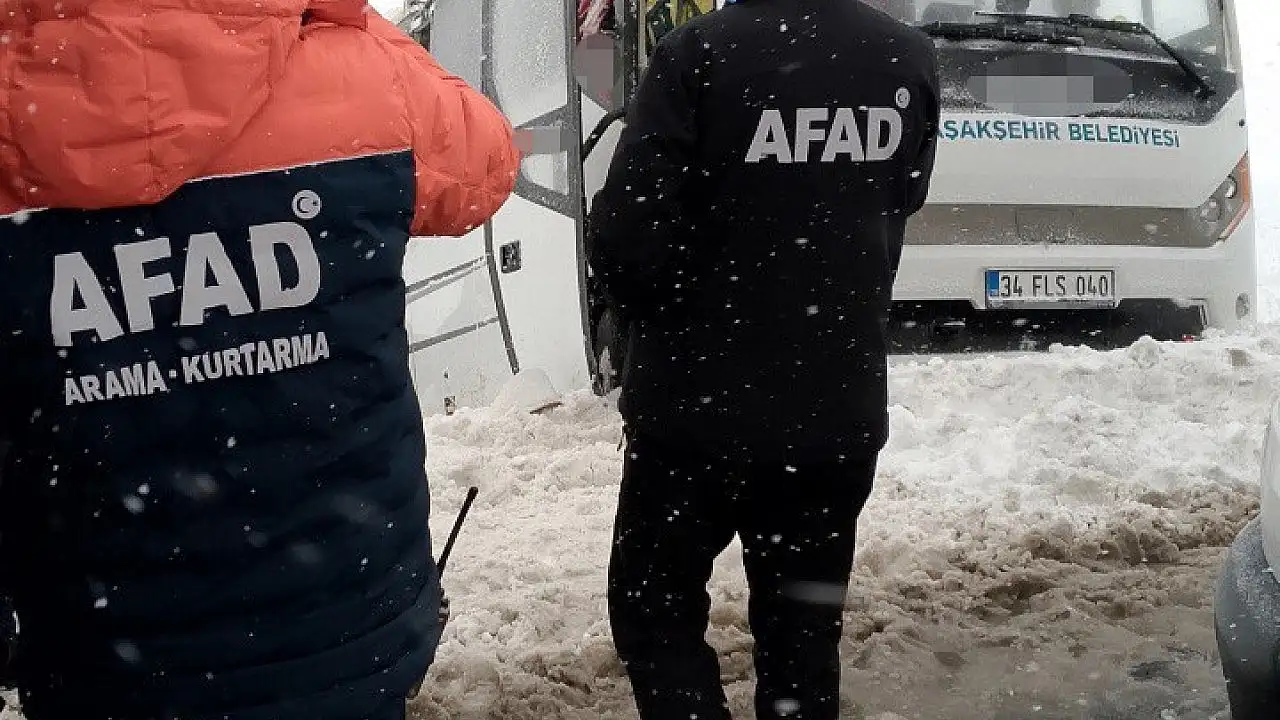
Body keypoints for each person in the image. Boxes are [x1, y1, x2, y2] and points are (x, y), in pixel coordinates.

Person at [0, 1, 519, 719]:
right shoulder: (368, 78)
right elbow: (486, 164)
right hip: (344, 626)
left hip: (101, 654)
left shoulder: (16, 89)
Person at [587, 0, 939, 718]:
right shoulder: (905, 57)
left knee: (655, 610)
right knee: (803, 642)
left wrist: (669, 318)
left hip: (695, 414)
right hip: (834, 409)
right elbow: (901, 196)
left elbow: (625, 233)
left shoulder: (699, 54)